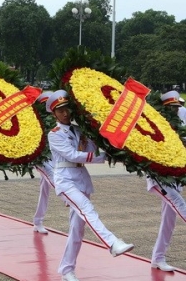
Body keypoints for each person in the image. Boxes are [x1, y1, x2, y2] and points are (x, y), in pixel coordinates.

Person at [46, 90, 134, 281]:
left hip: (81, 180)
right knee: (87, 209)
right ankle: (112, 243)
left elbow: (90, 148)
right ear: (54, 114)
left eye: (66, 109)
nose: (65, 113)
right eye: (60, 111)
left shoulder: (79, 131)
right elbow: (72, 155)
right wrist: (101, 157)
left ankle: (67, 270)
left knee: (77, 230)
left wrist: (94, 134)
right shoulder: (54, 134)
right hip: (65, 180)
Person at [145, 91, 186, 272]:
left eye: (176, 108)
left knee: (169, 220)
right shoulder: (154, 127)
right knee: (179, 203)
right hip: (158, 178)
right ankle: (158, 257)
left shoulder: (179, 127)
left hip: (174, 178)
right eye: (170, 108)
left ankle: (158, 258)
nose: (174, 111)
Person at [33, 91, 55, 234]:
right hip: (39, 157)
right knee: (52, 175)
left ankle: (38, 221)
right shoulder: (35, 120)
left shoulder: (55, 119)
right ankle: (67, 196)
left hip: (52, 156)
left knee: (45, 189)